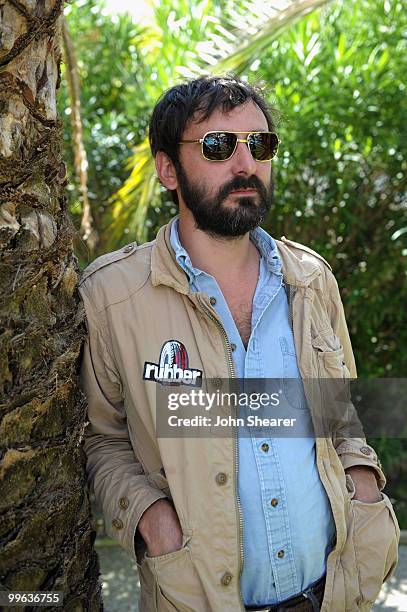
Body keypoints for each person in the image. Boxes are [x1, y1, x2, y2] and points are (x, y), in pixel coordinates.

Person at [79, 76, 399, 612]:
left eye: (260, 144)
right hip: (196, 598)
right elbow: (101, 439)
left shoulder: (312, 279)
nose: (245, 163)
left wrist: (362, 483)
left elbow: (338, 414)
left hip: (336, 592)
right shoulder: (112, 297)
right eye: (217, 145)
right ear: (167, 169)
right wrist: (154, 522)